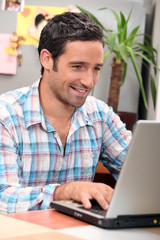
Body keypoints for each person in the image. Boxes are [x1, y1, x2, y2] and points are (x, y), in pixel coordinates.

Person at [0, 12, 132, 214]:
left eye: (96, 68)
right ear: (47, 59)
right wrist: (64, 192)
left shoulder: (100, 115)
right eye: (78, 66)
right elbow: (3, 198)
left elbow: (141, 173)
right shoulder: (6, 115)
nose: (89, 81)